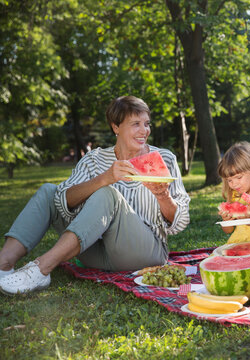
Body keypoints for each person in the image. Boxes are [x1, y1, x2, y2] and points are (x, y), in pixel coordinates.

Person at [0, 96, 191, 295]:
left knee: (108, 195)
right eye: (136, 124)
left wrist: (163, 197)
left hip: (145, 253)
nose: (144, 131)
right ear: (116, 126)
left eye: (146, 124)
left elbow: (181, 222)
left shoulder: (165, 158)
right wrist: (104, 178)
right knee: (49, 190)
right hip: (97, 251)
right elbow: (61, 201)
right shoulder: (94, 159)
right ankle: (4, 264)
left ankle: (41, 269)